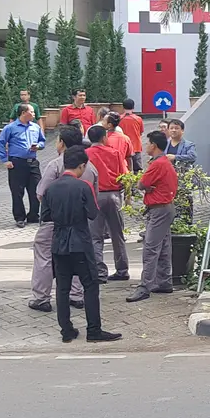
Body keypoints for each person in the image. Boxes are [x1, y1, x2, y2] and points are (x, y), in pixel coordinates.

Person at [40, 146, 121, 343]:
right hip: (80, 241)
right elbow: (93, 213)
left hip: (59, 242)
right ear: (82, 166)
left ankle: (66, 331)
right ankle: (94, 330)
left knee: (62, 287)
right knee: (90, 285)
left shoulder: (50, 188)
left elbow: (44, 216)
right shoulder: (83, 186)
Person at [28, 125, 92, 312]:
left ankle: (41, 297)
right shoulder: (89, 166)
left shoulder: (56, 165)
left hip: (53, 222)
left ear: (62, 143)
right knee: (77, 255)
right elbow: (92, 196)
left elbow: (41, 193)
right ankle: (76, 295)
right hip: (80, 222)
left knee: (44, 256)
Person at [128, 130, 179, 302]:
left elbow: (142, 183)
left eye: (148, 143)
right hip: (165, 208)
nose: (145, 146)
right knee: (164, 246)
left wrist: (146, 186)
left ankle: (145, 287)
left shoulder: (158, 164)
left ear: (154, 145)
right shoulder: (164, 162)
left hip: (159, 209)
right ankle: (164, 281)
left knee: (150, 248)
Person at [85, 125, 131, 282]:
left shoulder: (85, 155)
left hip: (94, 196)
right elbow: (125, 175)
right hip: (114, 195)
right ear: (104, 138)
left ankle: (99, 272)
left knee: (95, 236)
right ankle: (122, 269)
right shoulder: (115, 153)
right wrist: (127, 195)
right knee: (117, 234)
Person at [0, 103, 46, 228]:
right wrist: (4, 160)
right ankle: (19, 217)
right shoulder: (10, 128)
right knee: (17, 192)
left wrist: (38, 146)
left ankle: (34, 215)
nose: (34, 114)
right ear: (23, 113)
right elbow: (1, 143)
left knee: (36, 190)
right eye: (32, 112)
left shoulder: (35, 127)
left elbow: (42, 141)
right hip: (17, 163)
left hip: (33, 162)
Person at [120, 99, 146, 172]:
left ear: (123, 107)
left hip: (123, 147)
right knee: (138, 169)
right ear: (133, 107)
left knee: (124, 168)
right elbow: (141, 132)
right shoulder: (138, 119)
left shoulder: (119, 119)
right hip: (136, 146)